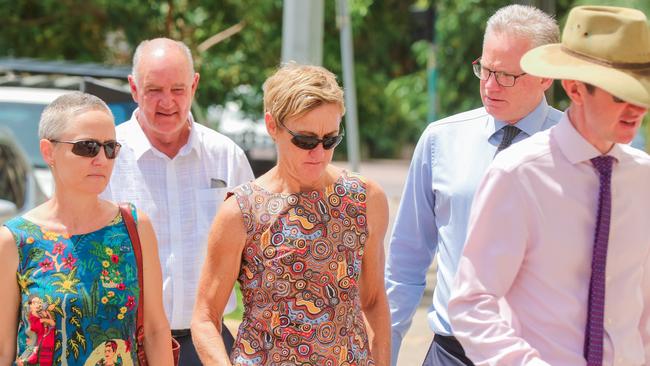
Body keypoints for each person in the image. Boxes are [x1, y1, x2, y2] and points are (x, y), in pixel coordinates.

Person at [448, 5, 650, 365]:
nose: (636, 109)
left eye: (643, 94)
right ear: (573, 88)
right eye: (620, 95)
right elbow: (472, 304)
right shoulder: (518, 175)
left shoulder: (644, 180)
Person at [384, 4, 560, 366]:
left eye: (506, 75)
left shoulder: (577, 151)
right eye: (485, 69)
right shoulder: (440, 141)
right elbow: (407, 258)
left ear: (546, 76)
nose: (490, 86)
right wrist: (386, 349)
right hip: (451, 352)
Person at [191, 63, 391, 366]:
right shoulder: (241, 212)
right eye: (306, 141)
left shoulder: (365, 199)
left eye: (331, 140)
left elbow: (374, 301)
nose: (319, 153)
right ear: (273, 126)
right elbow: (205, 316)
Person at [102, 38, 254, 365]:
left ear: (195, 85)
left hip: (206, 344)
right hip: (125, 344)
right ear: (133, 87)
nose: (166, 101)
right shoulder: (106, 157)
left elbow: (255, 256)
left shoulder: (226, 157)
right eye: (154, 89)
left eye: (178, 89)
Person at [0, 92, 173, 365]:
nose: (101, 159)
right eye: (87, 147)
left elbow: (155, 330)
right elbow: (4, 348)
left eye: (110, 147)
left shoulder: (135, 228)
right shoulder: (14, 240)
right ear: (48, 151)